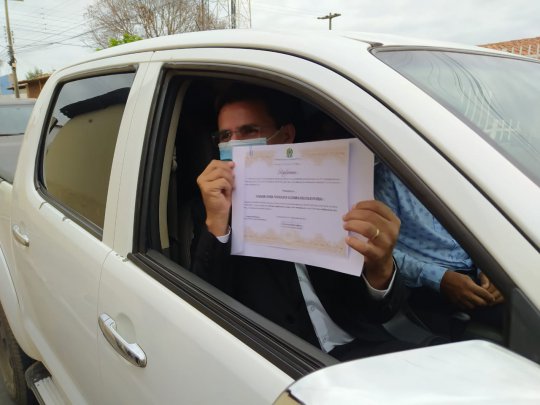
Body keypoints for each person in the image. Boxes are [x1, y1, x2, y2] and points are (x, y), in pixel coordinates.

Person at [191, 83, 413, 360]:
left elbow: (379, 311)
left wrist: (380, 268)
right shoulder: (215, 208)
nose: (234, 144)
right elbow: (204, 306)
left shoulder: (334, 192)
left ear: (285, 136)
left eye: (249, 131)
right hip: (284, 358)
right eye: (226, 135)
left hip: (361, 346)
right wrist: (217, 223)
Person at [375, 163, 504, 336]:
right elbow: (381, 250)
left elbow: (484, 227)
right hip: (423, 284)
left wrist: (489, 268)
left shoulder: (463, 172)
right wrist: (440, 279)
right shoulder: (389, 177)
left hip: (477, 269)